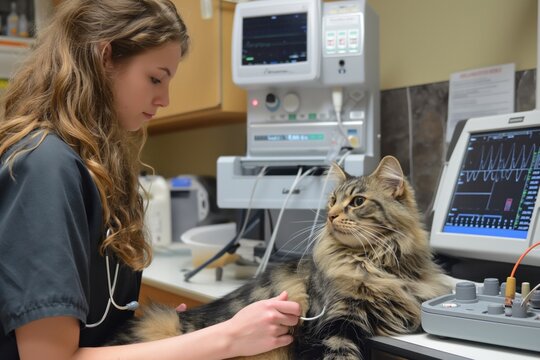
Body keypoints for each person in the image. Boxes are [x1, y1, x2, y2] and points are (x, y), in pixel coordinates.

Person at [0, 0, 301, 359]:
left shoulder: (90, 165)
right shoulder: (44, 165)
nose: (164, 99)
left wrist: (172, 340)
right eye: (155, 78)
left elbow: (96, 328)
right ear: (105, 58)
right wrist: (227, 338)